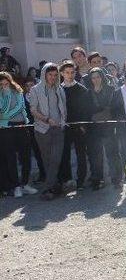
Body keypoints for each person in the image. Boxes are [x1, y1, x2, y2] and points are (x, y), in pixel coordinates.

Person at [28, 63, 66, 200]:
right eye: (50, 74)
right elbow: (33, 110)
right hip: (42, 130)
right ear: (44, 74)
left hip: (58, 129)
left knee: (56, 158)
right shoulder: (35, 90)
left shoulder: (59, 89)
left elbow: (63, 107)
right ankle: (54, 187)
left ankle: (46, 188)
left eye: (55, 75)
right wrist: (46, 119)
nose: (53, 77)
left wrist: (62, 121)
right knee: (48, 160)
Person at [0, 72, 38, 197]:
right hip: (6, 128)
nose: (4, 86)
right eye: (2, 84)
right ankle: (16, 186)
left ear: (10, 82)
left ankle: (25, 183)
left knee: (26, 156)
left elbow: (20, 107)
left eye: (6, 83)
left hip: (21, 125)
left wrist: (6, 115)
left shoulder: (17, 91)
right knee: (10, 158)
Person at [86, 67, 122, 190]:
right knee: (96, 155)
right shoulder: (88, 92)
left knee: (112, 153)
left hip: (109, 126)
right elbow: (87, 111)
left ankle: (116, 179)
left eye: (98, 77)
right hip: (94, 128)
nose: (96, 80)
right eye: (93, 77)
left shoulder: (111, 90)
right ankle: (97, 179)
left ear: (102, 77)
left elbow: (116, 107)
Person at [58, 60, 90, 191]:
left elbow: (86, 109)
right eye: (67, 72)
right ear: (62, 73)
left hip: (79, 126)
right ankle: (67, 180)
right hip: (64, 127)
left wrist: (83, 125)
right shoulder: (58, 89)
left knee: (80, 154)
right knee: (64, 154)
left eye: (72, 72)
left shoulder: (81, 89)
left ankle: (81, 180)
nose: (70, 75)